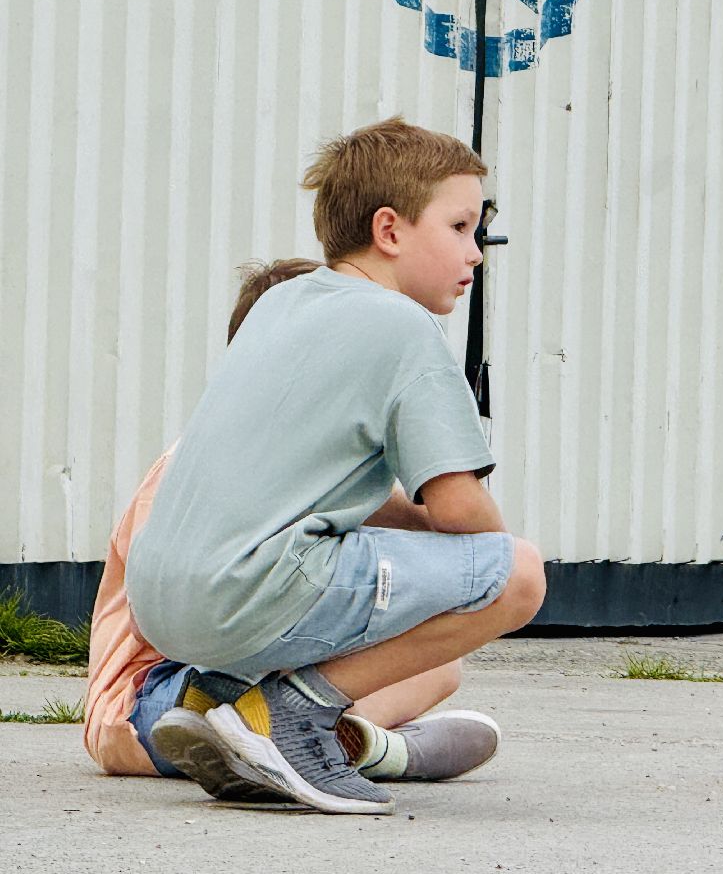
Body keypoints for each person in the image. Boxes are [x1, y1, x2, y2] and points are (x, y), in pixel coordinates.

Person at [124, 118, 546, 815]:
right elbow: (459, 510)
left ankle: (217, 700)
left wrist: (417, 539)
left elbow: (307, 483)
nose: (476, 252)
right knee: (518, 575)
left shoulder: (280, 305)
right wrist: (484, 559)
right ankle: (296, 715)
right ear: (390, 230)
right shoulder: (402, 325)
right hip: (249, 589)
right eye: (461, 226)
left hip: (164, 602)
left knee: (360, 560)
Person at [84, 258, 498, 794]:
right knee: (361, 659)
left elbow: (402, 522)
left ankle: (317, 740)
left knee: (439, 663)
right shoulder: (192, 468)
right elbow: (174, 608)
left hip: (234, 679)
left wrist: (441, 498)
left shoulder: (312, 468)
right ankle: (380, 751)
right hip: (155, 699)